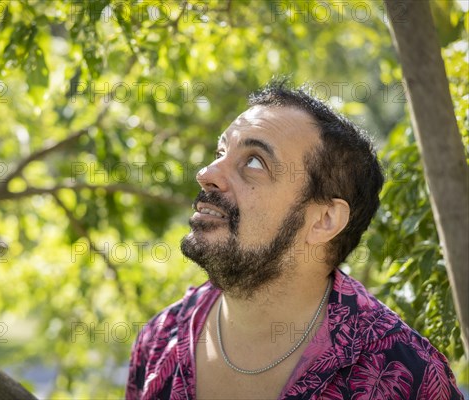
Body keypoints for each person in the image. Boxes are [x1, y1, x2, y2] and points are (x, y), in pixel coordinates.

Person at [125, 80, 463, 399]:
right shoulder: (157, 342)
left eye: (254, 161)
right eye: (221, 151)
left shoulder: (406, 377)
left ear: (324, 220)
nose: (206, 174)